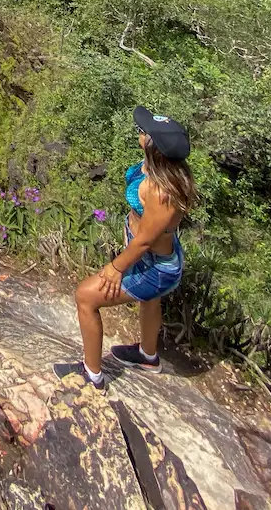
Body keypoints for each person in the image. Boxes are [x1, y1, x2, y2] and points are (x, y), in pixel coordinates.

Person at [53, 106, 198, 390]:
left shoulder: (161, 191)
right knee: (150, 301)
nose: (139, 133)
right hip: (153, 259)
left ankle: (92, 375)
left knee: (85, 297)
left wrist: (115, 267)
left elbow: (145, 239)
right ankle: (147, 355)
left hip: (154, 266)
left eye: (143, 133)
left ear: (153, 146)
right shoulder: (158, 169)